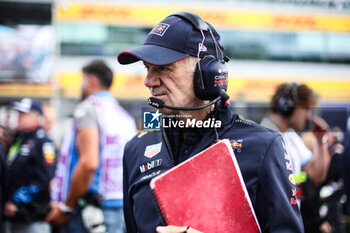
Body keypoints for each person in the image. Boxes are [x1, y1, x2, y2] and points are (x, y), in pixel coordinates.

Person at [117, 11, 304, 233]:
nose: (149, 81)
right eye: (147, 68)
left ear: (209, 75)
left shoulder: (263, 147)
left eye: (164, 68)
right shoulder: (136, 149)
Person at [46, 60, 137, 233]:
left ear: (92, 81)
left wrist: (67, 207)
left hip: (90, 211)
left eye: (83, 80)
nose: (81, 86)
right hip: (119, 206)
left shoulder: (88, 109)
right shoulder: (124, 115)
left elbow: (89, 164)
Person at [260, 83, 331, 187]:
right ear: (287, 106)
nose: (309, 116)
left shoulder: (291, 137)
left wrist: (320, 141)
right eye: (306, 109)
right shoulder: (262, 138)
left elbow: (316, 175)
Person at [3, 98, 56, 233]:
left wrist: (16, 200)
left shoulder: (43, 142)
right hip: (13, 216)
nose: (19, 117)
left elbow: (44, 180)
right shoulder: (18, 139)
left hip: (32, 216)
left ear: (37, 117)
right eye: (19, 113)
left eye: (24, 114)